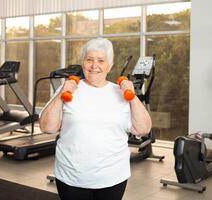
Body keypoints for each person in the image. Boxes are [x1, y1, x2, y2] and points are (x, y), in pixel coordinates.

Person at [39, 38, 152, 200]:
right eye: (89, 59)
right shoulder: (68, 90)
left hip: (112, 177)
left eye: (101, 60)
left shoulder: (120, 93)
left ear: (109, 66)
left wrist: (133, 97)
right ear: (83, 63)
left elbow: (143, 129)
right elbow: (47, 127)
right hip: (72, 177)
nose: (94, 65)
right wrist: (59, 97)